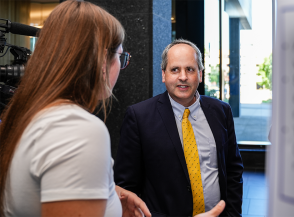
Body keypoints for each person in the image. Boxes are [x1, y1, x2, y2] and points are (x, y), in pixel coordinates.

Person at [0, 1, 150, 216]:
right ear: (100, 59)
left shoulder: (27, 114)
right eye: (121, 56)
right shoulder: (77, 130)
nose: (121, 65)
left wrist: (108, 195)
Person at [114, 39, 244, 216]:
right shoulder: (139, 117)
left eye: (190, 69)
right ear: (164, 75)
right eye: (175, 69)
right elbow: (126, 186)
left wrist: (233, 214)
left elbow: (233, 170)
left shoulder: (221, 111)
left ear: (200, 74)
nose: (183, 76)